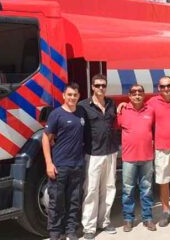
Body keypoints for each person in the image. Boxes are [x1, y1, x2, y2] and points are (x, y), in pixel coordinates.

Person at [117, 76, 170, 228]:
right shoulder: (152, 103)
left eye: (169, 86)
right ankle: (166, 212)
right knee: (163, 182)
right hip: (161, 149)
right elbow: (136, 106)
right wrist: (123, 104)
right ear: (158, 88)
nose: (166, 89)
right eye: (163, 86)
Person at [42, 83, 86, 240]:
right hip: (60, 165)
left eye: (75, 95)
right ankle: (55, 233)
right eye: (69, 95)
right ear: (63, 96)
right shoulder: (56, 114)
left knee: (74, 200)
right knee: (57, 201)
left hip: (77, 165)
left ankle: (71, 230)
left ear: (78, 96)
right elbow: (46, 138)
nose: (72, 98)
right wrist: (49, 163)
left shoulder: (81, 112)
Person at [78, 74, 119, 240]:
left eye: (103, 85)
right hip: (93, 154)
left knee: (109, 188)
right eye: (98, 85)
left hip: (111, 152)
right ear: (92, 87)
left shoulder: (111, 104)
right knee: (91, 190)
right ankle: (89, 227)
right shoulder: (83, 106)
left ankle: (104, 221)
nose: (101, 88)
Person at [117, 84, 156, 232]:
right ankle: (128, 219)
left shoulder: (150, 111)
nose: (137, 95)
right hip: (129, 158)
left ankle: (148, 218)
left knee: (147, 189)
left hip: (147, 157)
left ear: (144, 95)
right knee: (128, 190)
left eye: (140, 92)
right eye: (134, 92)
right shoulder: (123, 110)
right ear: (129, 95)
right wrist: (121, 105)